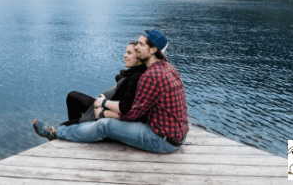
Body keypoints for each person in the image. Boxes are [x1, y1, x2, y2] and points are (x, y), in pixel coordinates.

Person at [33, 30, 188, 154]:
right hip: (176, 135)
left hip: (161, 140)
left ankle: (56, 133)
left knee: (104, 126)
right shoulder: (168, 69)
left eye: (141, 44)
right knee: (103, 121)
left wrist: (104, 112)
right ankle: (65, 132)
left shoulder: (151, 76)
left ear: (153, 49)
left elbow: (131, 113)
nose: (137, 47)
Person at [61, 42, 147, 126]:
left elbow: (125, 107)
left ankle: (75, 129)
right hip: (102, 106)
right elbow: (120, 80)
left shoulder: (136, 77)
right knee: (72, 97)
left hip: (103, 112)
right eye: (126, 52)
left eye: (129, 53)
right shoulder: (131, 74)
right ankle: (76, 129)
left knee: (63, 126)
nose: (124, 55)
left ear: (139, 57)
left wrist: (103, 104)